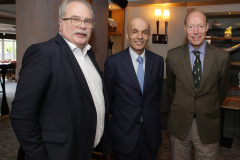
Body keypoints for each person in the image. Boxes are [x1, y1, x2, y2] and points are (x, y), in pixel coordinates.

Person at [10, 0, 111, 159]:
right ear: (60, 23)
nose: (82, 25)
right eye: (75, 19)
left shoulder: (89, 55)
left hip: (83, 151)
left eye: (87, 21)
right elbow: (21, 116)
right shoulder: (43, 54)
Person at [166, 10, 230, 160]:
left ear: (207, 27)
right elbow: (171, 88)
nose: (196, 32)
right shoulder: (173, 56)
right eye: (191, 26)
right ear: (184, 29)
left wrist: (208, 106)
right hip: (179, 123)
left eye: (200, 26)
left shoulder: (222, 57)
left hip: (208, 124)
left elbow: (222, 91)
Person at [104, 17, 164, 160]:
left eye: (144, 32)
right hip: (124, 135)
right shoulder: (113, 62)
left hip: (151, 135)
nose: (139, 36)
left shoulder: (158, 61)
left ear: (149, 36)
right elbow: (109, 98)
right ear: (127, 35)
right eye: (134, 31)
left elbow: (157, 95)